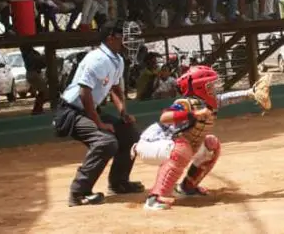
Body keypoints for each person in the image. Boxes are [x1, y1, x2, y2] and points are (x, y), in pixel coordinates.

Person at [134, 67, 272, 210]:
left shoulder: (207, 102)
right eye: (209, 85)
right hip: (150, 144)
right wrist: (193, 115)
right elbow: (165, 117)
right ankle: (154, 198)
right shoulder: (185, 102)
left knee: (211, 144)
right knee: (182, 148)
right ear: (199, 87)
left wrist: (250, 93)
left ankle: (187, 187)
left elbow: (226, 98)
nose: (213, 88)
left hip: (171, 146)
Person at [52, 20, 145, 206]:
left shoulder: (117, 59)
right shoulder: (97, 59)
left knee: (130, 134)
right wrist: (99, 123)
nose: (126, 41)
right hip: (71, 112)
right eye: (122, 37)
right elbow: (84, 93)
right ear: (110, 38)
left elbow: (115, 88)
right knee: (106, 142)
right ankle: (79, 193)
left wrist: (123, 113)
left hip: (88, 110)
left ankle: (119, 183)